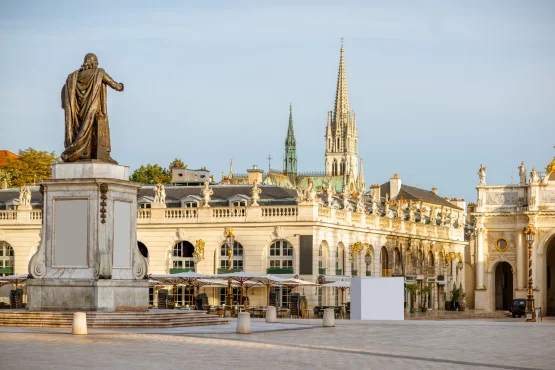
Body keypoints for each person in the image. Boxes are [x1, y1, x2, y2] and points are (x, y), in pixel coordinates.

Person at [61, 53, 124, 163]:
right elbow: (115, 85)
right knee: (95, 130)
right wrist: (121, 86)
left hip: (76, 113)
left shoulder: (73, 77)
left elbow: (64, 94)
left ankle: (80, 153)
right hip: (92, 110)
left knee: (81, 131)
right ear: (92, 62)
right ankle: (97, 154)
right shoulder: (99, 73)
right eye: (96, 62)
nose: (97, 64)